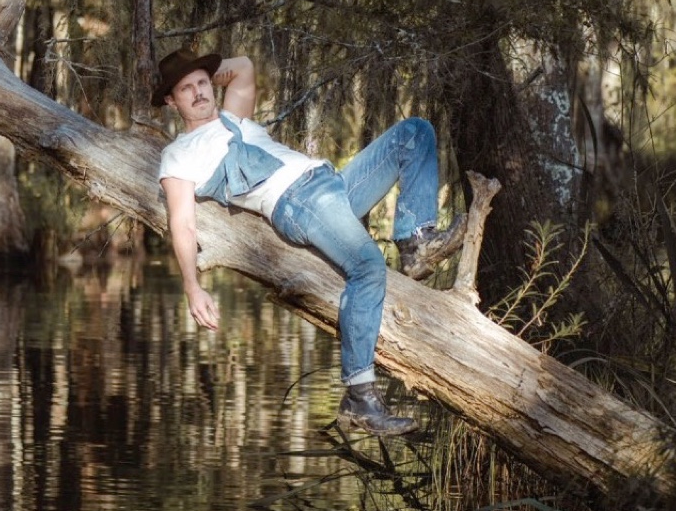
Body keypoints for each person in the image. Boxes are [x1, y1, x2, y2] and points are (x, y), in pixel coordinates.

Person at [155, 48, 466, 437]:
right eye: (186, 89)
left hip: (331, 183)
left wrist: (202, 71)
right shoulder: (178, 155)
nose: (199, 92)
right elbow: (181, 222)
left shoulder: (235, 116)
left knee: (415, 132)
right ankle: (359, 397)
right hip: (299, 200)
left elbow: (245, 67)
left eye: (202, 82)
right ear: (170, 100)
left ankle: (415, 241)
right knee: (367, 267)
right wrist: (191, 286)